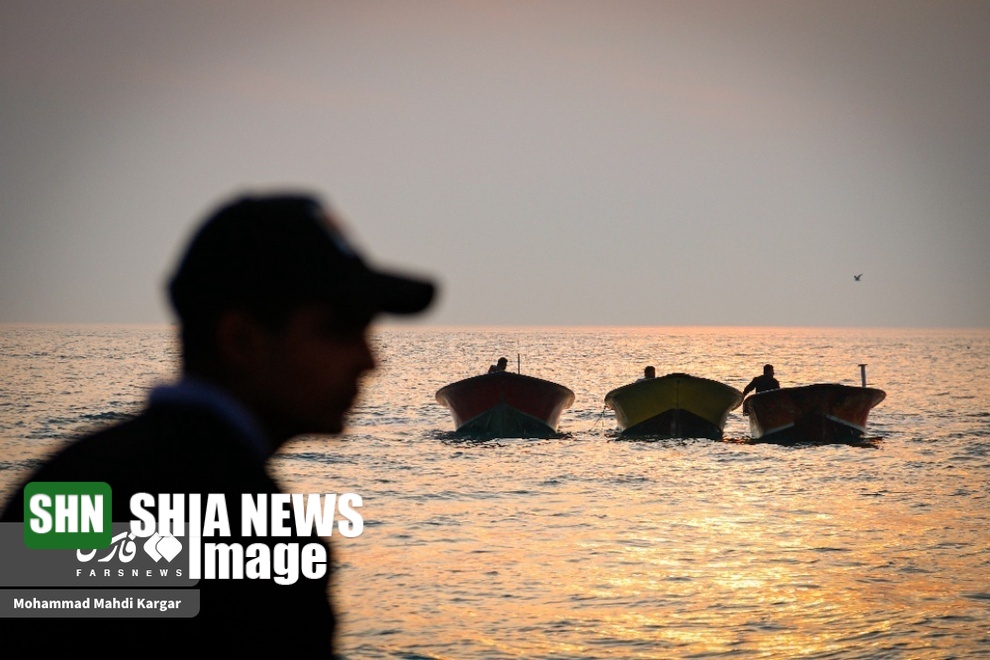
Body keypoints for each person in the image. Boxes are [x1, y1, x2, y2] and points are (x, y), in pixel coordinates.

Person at [0, 192, 435, 652]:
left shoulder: (70, 479)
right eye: (339, 330)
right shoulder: (259, 536)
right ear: (240, 340)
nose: (368, 361)